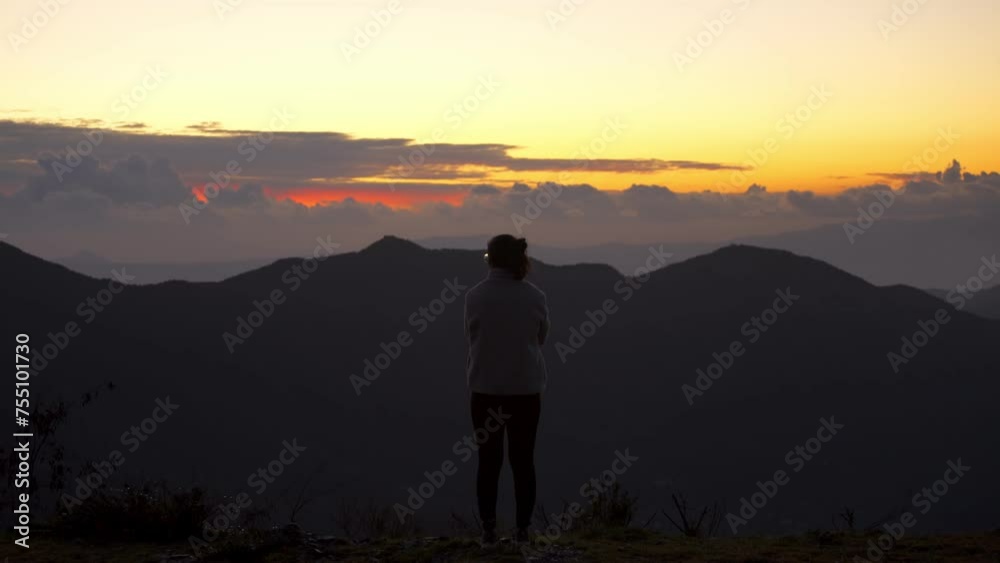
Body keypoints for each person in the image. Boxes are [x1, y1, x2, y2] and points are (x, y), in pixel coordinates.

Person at [464, 234, 549, 547]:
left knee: (488, 462)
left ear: (491, 259)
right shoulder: (535, 296)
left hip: (485, 390)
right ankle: (523, 530)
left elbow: (472, 339)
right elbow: (540, 338)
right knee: (523, 461)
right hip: (525, 390)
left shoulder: (474, 296)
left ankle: (488, 531)